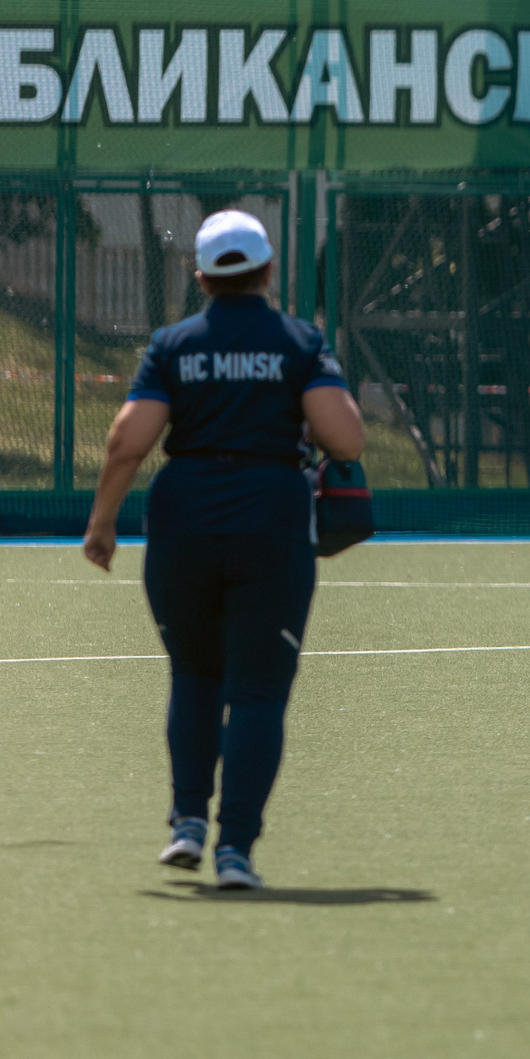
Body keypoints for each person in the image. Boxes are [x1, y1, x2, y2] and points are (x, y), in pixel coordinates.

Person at [81, 212, 365, 890]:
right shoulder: (299, 340)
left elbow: (128, 439)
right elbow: (347, 438)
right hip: (271, 519)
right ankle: (235, 849)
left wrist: (102, 521)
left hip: (184, 520)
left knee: (194, 674)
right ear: (267, 271)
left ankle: (187, 822)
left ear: (202, 276)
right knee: (259, 692)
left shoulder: (174, 344)